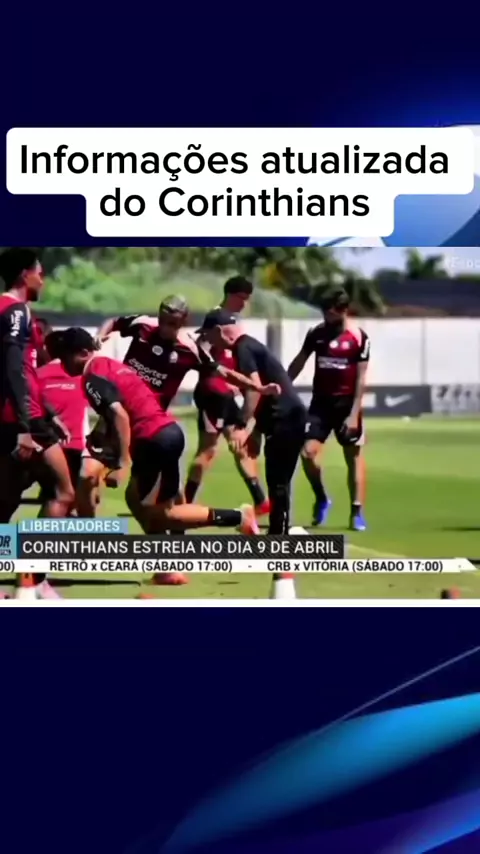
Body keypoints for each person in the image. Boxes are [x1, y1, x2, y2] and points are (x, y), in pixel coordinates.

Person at [60, 327, 279, 537]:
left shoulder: (92, 376)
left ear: (83, 353)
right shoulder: (110, 365)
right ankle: (167, 559)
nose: (62, 364)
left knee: (164, 514)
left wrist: (123, 463)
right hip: (164, 434)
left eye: (65, 357)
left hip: (154, 440)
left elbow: (119, 415)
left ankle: (239, 517)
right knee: (136, 500)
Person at [197, 309, 307, 535]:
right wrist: (256, 430)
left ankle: (278, 535)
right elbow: (261, 390)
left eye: (208, 335)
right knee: (278, 481)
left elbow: (254, 390)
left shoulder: (243, 348)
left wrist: (241, 427)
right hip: (284, 419)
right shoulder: (247, 346)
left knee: (278, 481)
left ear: (218, 331)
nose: (208, 341)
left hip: (285, 419)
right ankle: (278, 532)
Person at [0, 248, 75, 524]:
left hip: (18, 415)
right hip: (24, 418)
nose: (42, 281)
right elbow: (14, 370)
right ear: (25, 275)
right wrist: (24, 428)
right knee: (63, 493)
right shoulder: (16, 311)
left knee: (6, 499)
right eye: (39, 274)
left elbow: (26, 372)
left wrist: (51, 414)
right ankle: (32, 553)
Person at [287, 288, 370, 531]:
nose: (325, 316)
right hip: (320, 405)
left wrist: (354, 414)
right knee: (307, 454)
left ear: (343, 311)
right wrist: (283, 385)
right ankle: (322, 497)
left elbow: (361, 378)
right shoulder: (317, 333)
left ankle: (357, 512)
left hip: (347, 405)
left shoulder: (358, 337)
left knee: (352, 458)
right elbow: (299, 361)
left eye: (330, 312)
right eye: (324, 311)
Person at [186, 277, 270, 515]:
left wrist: (236, 383)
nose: (244, 304)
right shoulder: (216, 318)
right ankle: (185, 502)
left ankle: (261, 502)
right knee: (208, 450)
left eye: (247, 299)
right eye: (241, 298)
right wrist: (218, 375)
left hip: (227, 394)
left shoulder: (232, 320)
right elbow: (200, 352)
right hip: (213, 393)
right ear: (230, 295)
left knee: (239, 446)